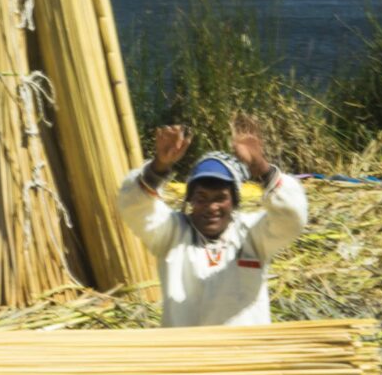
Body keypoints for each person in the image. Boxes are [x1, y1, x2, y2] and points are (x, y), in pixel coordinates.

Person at [117, 116, 308, 326]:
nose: (211, 207)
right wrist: (159, 166)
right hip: (188, 355)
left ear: (234, 202)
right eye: (202, 198)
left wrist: (260, 167)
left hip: (246, 355)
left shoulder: (252, 234)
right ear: (190, 200)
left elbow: (292, 217)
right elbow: (134, 208)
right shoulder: (171, 234)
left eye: (220, 198)